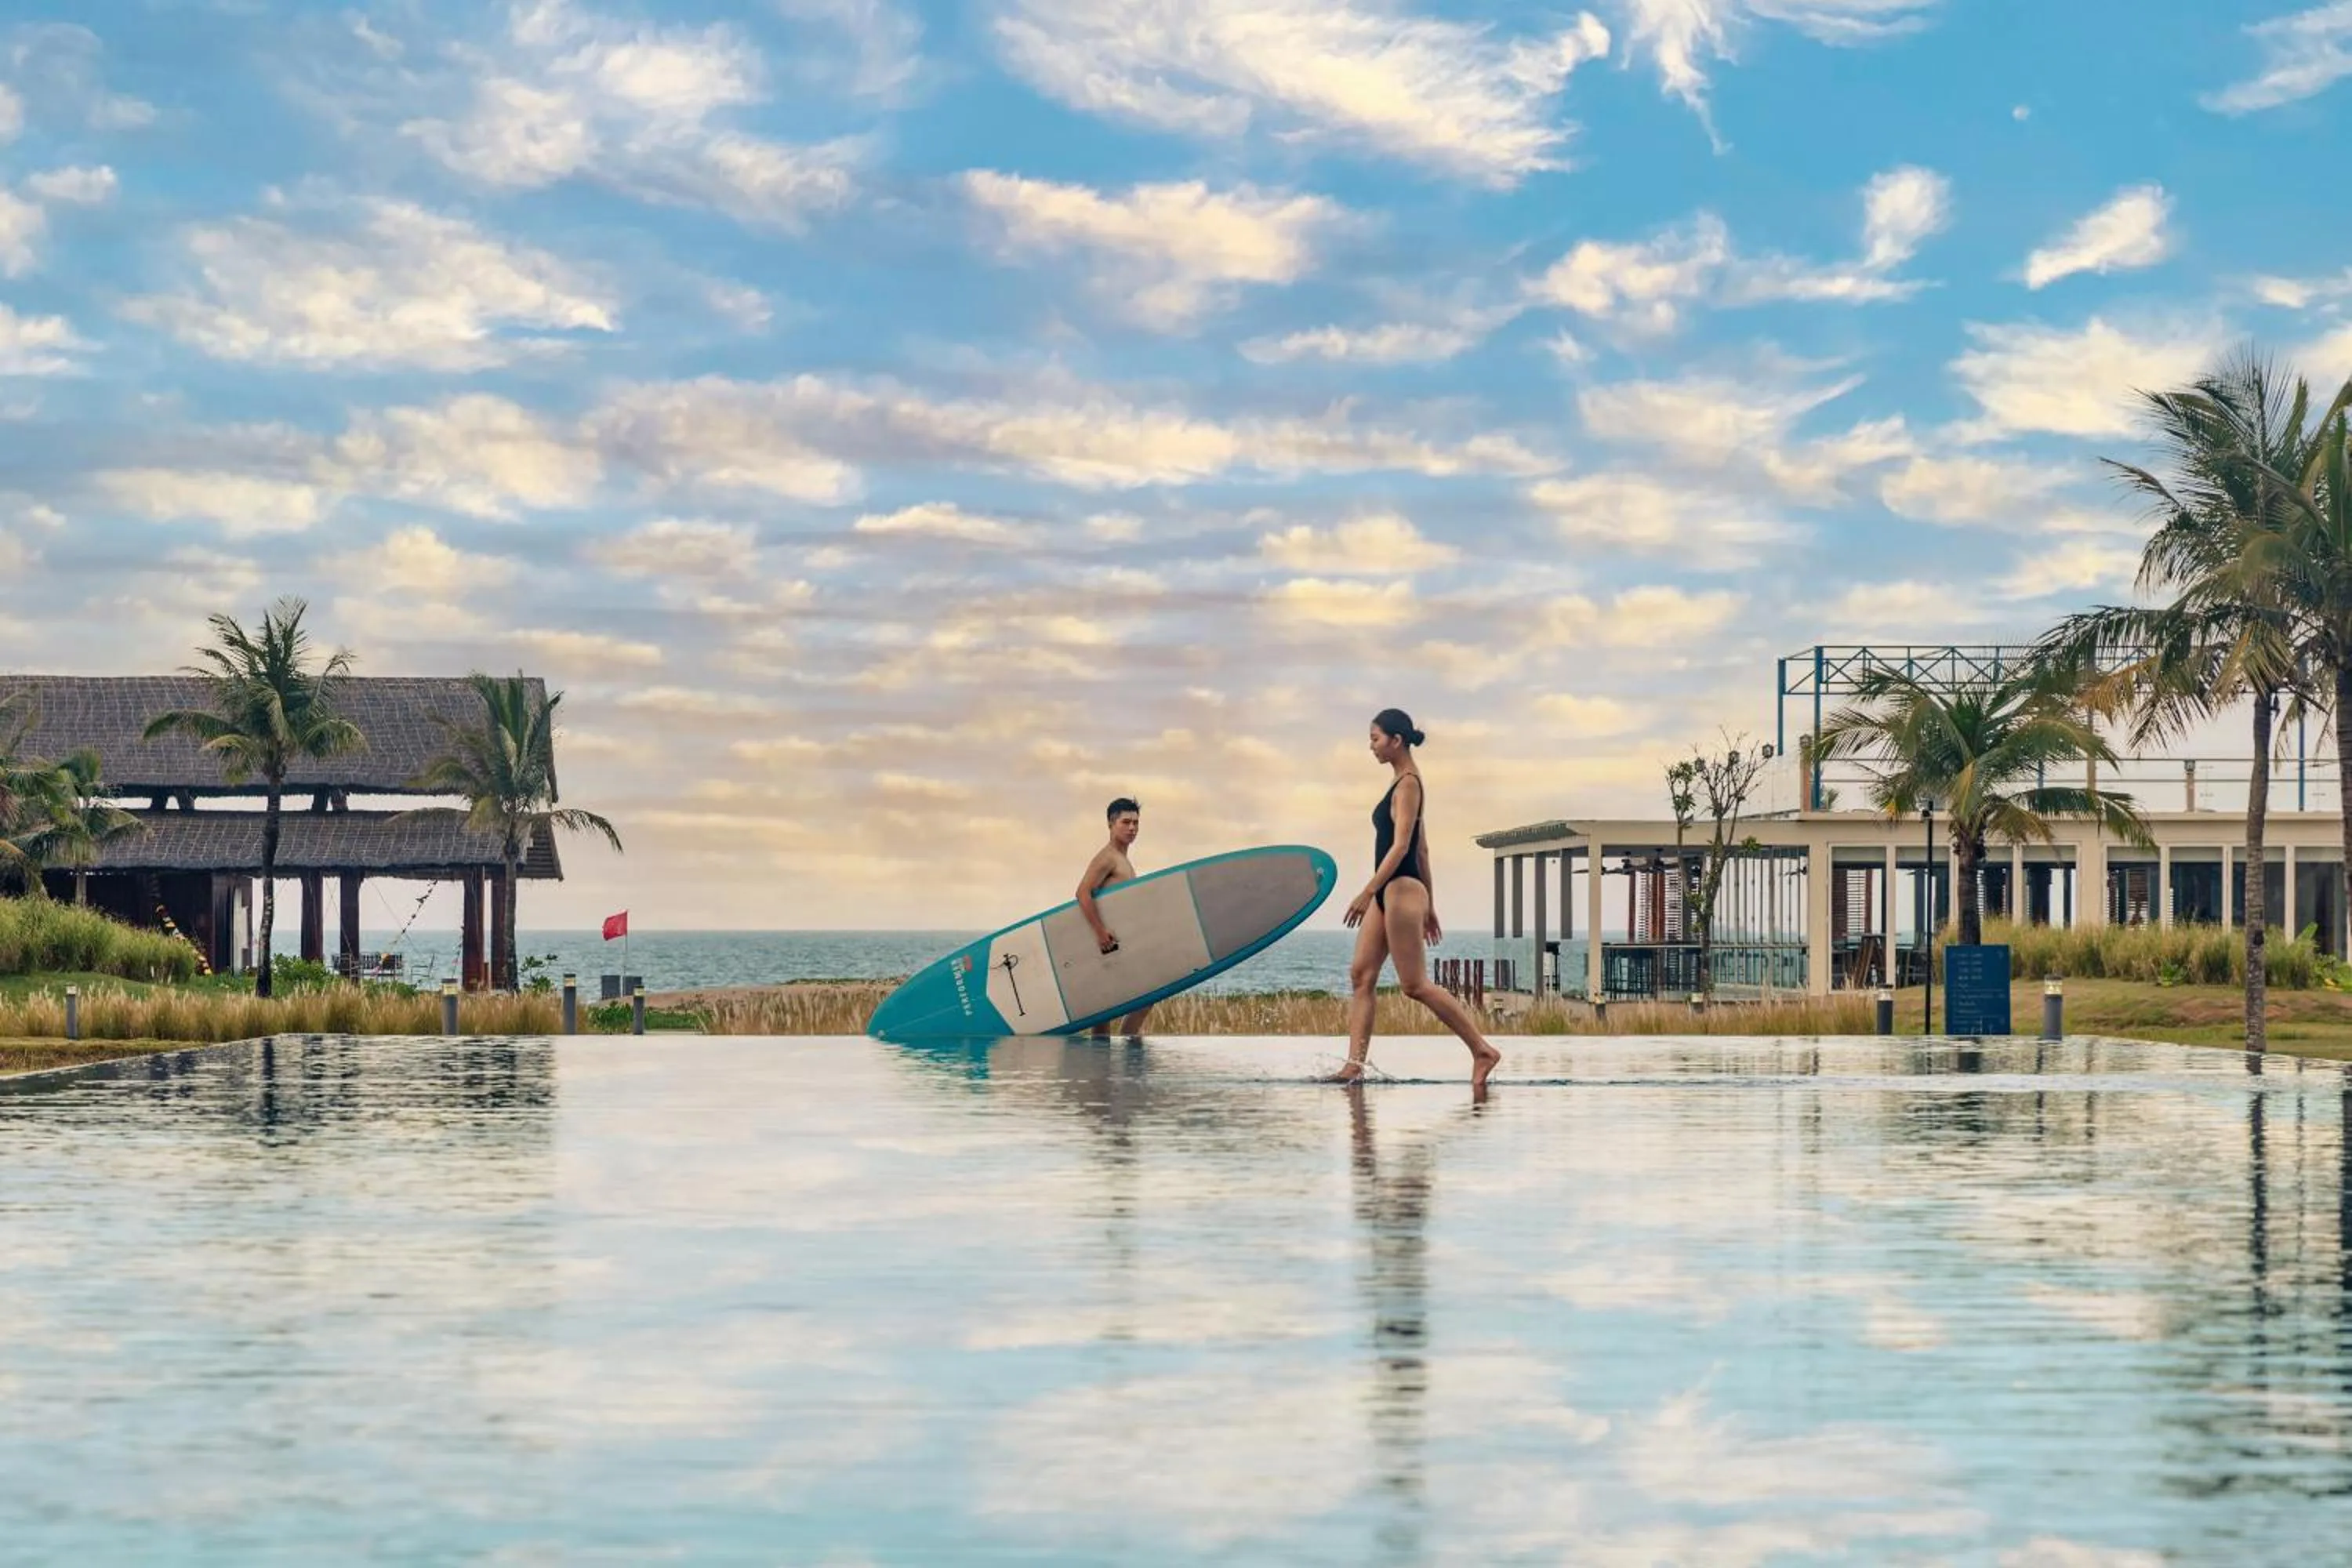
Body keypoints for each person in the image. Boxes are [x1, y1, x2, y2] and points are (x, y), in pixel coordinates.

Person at [1327, 709, 1501, 1096]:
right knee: (1361, 975)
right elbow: (1422, 848)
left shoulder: (1408, 784)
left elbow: (1403, 845)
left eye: (1375, 739)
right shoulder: (1400, 783)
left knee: (1414, 985)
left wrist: (1369, 890)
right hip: (1399, 890)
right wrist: (1432, 904)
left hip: (1400, 889)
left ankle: (1482, 1050)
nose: (1371, 747)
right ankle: (1354, 1066)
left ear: (1396, 741)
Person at [1076, 797, 1152, 1037]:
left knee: (1137, 999)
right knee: (1111, 1009)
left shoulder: (1123, 860)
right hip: (1105, 943)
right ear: (1111, 824)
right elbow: (1082, 892)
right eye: (1126, 822)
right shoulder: (1107, 857)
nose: (1132, 828)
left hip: (1118, 944)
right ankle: (1125, 1046)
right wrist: (1099, 933)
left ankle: (1125, 1042)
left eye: (1136, 823)